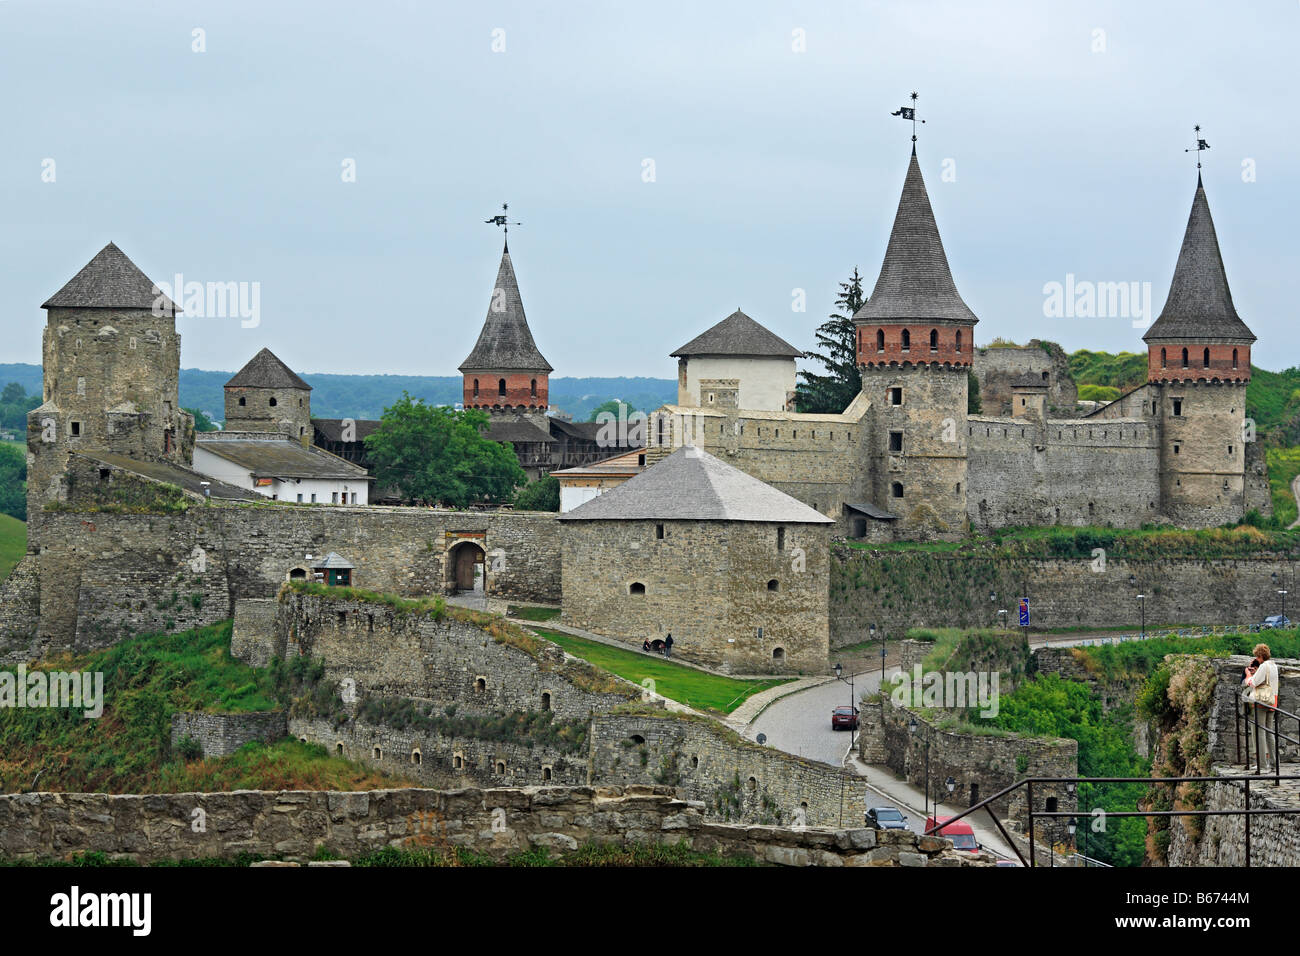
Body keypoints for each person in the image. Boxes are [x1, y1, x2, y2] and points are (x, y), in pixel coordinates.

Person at [1243, 643, 1280, 773]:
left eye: (1256, 657)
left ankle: (1262, 765)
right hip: (1272, 701)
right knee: (1270, 732)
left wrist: (1248, 674)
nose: (1256, 659)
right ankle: (1274, 764)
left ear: (1259, 656)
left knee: (1260, 733)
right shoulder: (1274, 666)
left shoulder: (1264, 666)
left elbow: (1253, 683)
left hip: (1261, 701)